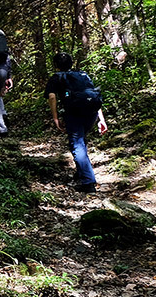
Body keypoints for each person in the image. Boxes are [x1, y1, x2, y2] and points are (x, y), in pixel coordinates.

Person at [44, 52, 108, 192]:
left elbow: (52, 97)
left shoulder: (56, 78)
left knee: (77, 144)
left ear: (55, 65)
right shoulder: (83, 75)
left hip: (74, 113)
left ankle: (88, 182)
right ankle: (81, 173)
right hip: (91, 113)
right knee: (80, 141)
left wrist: (55, 118)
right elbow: (92, 94)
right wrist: (101, 119)